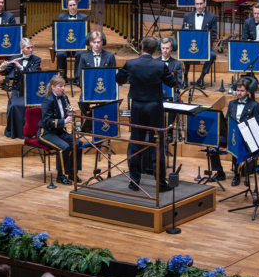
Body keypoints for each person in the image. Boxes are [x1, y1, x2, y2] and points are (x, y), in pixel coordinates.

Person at [116, 36, 178, 191]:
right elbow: (172, 83)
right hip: (155, 107)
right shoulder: (160, 65)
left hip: (137, 106)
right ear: (156, 49)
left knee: (136, 141)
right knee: (158, 142)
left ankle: (134, 181)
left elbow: (118, 79)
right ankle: (160, 183)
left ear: (141, 46)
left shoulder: (131, 63)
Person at [209, 79, 259, 186]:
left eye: (242, 91)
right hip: (231, 134)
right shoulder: (231, 103)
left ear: (248, 91)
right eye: (238, 90)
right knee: (212, 145)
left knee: (236, 146)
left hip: (245, 136)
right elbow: (226, 121)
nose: (239, 93)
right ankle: (220, 172)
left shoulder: (254, 105)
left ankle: (237, 175)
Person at [37, 75, 83, 186]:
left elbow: (63, 113)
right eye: (60, 86)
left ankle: (72, 172)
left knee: (78, 143)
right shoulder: (48, 101)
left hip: (58, 131)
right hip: (46, 133)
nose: (63, 88)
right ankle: (60, 176)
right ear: (53, 87)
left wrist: (70, 112)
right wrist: (64, 121)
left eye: (63, 86)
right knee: (64, 147)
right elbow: (47, 121)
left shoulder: (64, 98)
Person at [74, 31, 117, 133]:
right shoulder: (84, 56)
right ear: (90, 43)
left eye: (99, 42)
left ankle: (107, 124)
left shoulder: (110, 56)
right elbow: (79, 75)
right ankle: (90, 122)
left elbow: (113, 75)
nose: (97, 45)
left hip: (106, 88)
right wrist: (86, 87)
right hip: (89, 87)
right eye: (94, 42)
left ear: (102, 42)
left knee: (110, 103)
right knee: (81, 102)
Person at [4, 38, 42, 139]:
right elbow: (6, 72)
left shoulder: (36, 59)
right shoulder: (15, 58)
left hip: (31, 90)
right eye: (28, 48)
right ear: (22, 48)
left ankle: (29, 131)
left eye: (31, 47)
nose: (31, 50)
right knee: (14, 106)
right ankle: (14, 131)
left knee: (25, 105)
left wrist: (20, 67)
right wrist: (2, 67)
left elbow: (33, 73)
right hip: (17, 90)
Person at [181, 0, 218, 90]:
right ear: (194, 4)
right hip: (190, 45)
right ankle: (185, 78)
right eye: (197, 4)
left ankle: (201, 78)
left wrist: (206, 45)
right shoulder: (187, 16)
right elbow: (183, 32)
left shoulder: (212, 17)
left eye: (201, 4)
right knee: (184, 52)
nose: (199, 6)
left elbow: (213, 34)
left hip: (205, 46)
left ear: (205, 3)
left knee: (212, 54)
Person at [56, 0, 90, 80]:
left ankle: (77, 77)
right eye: (70, 5)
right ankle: (63, 77)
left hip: (79, 43)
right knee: (60, 54)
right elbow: (59, 32)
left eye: (74, 5)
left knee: (80, 54)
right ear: (67, 6)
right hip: (65, 43)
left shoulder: (84, 17)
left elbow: (87, 32)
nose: (73, 7)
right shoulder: (61, 17)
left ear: (77, 5)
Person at [160, 37, 183, 144]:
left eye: (167, 48)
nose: (165, 50)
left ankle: (168, 131)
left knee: (173, 100)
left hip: (171, 91)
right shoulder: (154, 62)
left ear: (171, 49)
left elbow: (179, 82)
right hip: (157, 91)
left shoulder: (177, 64)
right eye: (163, 48)